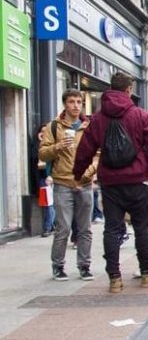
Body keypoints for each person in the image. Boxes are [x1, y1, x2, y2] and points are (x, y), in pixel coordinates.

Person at [73, 73, 148, 293]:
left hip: (110, 183)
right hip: (137, 181)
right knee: (142, 229)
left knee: (112, 229)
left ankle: (115, 279)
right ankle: (146, 275)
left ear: (111, 89)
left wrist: (78, 173)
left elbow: (85, 149)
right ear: (129, 89)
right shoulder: (140, 116)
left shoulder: (98, 119)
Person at [39, 89, 98, 282]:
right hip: (62, 183)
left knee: (85, 228)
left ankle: (84, 266)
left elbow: (98, 154)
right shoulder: (54, 126)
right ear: (65, 104)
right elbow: (42, 154)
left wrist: (89, 172)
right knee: (63, 228)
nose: (75, 105)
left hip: (85, 183)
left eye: (79, 102)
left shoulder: (89, 126)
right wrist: (58, 147)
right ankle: (58, 266)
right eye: (71, 102)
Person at [35, 123, 56, 238]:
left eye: (46, 131)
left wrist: (51, 175)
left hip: (49, 177)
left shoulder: (52, 146)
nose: (44, 133)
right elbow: (36, 156)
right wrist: (39, 143)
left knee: (49, 203)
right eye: (42, 131)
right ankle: (51, 225)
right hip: (42, 178)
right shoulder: (38, 146)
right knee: (46, 203)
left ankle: (48, 227)